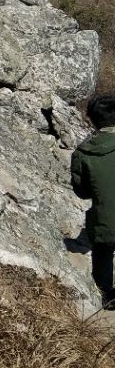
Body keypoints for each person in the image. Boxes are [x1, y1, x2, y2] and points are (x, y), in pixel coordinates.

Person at [71, 95, 115, 309]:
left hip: (105, 225)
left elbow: (82, 192)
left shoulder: (82, 153)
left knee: (102, 248)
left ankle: (107, 295)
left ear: (92, 119)